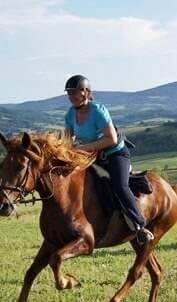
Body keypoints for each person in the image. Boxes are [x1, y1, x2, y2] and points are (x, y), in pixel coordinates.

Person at [63, 75, 154, 245]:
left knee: (120, 186)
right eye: (68, 93)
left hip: (115, 154)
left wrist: (81, 148)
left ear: (85, 92)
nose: (71, 96)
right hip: (92, 156)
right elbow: (68, 142)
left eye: (74, 92)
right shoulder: (70, 114)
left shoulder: (98, 110)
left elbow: (111, 139)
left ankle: (140, 227)